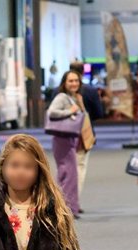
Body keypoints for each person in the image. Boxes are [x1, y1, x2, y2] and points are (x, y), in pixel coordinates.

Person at [48, 70, 85, 218]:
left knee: (68, 173)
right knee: (68, 173)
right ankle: (65, 208)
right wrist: (70, 111)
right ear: (64, 83)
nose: (74, 83)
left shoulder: (73, 97)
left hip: (69, 138)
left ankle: (65, 207)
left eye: (76, 81)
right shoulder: (62, 97)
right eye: (70, 81)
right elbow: (52, 112)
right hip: (62, 139)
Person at [69, 61, 102, 210]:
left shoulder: (58, 90)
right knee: (79, 167)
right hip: (83, 134)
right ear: (83, 71)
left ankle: (64, 200)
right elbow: (98, 113)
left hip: (62, 135)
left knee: (65, 169)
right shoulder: (90, 90)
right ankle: (73, 202)